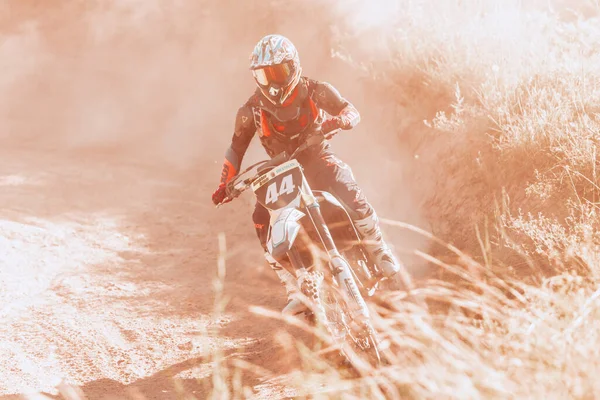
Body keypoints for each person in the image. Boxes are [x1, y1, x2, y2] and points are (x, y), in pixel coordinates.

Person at [212, 34, 403, 315]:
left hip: (317, 158)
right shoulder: (250, 110)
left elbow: (349, 109)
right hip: (281, 172)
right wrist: (225, 184)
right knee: (261, 219)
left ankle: (379, 249)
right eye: (265, 76)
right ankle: (295, 286)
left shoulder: (316, 90)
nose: (273, 82)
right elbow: (235, 149)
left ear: (294, 66)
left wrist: (341, 120)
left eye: (279, 72)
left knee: (345, 186)